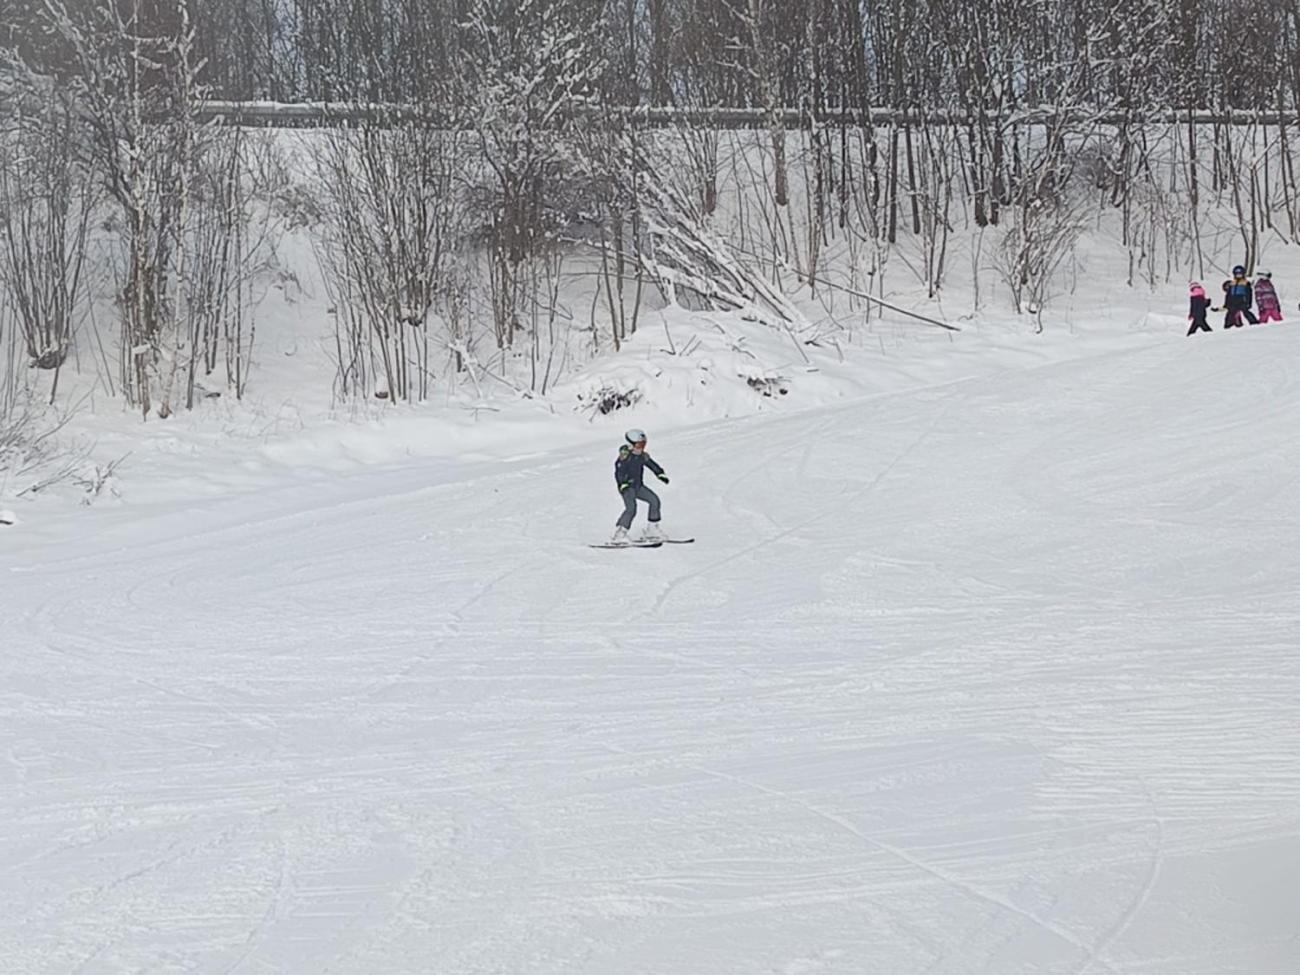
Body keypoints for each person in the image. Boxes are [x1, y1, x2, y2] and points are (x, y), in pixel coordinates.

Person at [611, 428, 670, 545]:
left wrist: (660, 473)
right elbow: (619, 472)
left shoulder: (642, 456)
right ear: (631, 444)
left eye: (643, 444)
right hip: (627, 487)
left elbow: (652, 464)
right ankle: (620, 533)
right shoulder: (625, 457)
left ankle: (652, 530)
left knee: (654, 501)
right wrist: (623, 483)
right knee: (631, 508)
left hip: (638, 486)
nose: (642, 447)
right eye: (639, 444)